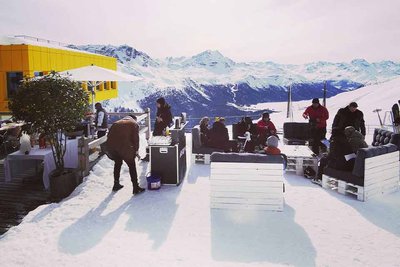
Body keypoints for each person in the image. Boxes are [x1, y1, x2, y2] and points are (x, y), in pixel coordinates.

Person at [105, 115, 145, 194]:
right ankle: (135, 187)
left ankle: (116, 184)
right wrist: (136, 151)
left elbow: (109, 135)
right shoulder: (134, 123)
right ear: (135, 119)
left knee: (117, 163)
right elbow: (136, 139)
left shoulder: (116, 123)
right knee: (131, 165)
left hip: (112, 147)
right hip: (124, 148)